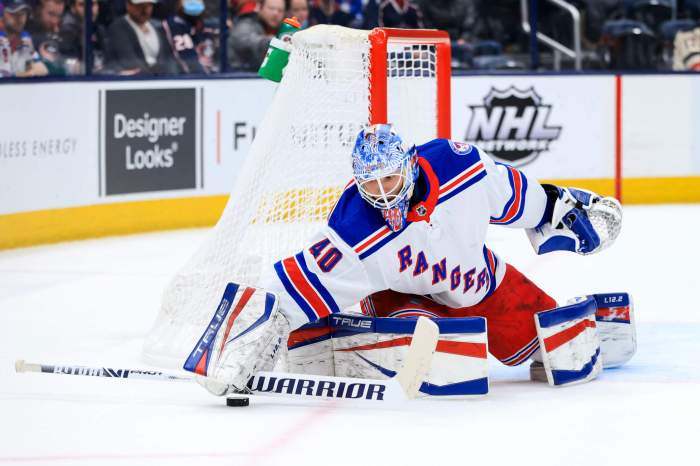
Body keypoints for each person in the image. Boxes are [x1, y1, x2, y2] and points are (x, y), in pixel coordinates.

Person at [183, 123, 623, 394]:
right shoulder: (353, 228)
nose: (382, 193)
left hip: (480, 285)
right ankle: (342, 340)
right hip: (401, 299)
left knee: (562, 350)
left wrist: (565, 211)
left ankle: (356, 341)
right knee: (447, 358)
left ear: (409, 163)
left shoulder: (461, 167)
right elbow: (297, 281)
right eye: (369, 185)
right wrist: (237, 342)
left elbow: (522, 199)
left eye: (389, 177)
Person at [105, 0, 180, 75]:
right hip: (137, 82)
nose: (144, 10)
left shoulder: (157, 26)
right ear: (128, 5)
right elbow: (130, 61)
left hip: (162, 80)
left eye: (148, 5)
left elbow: (167, 58)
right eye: (140, 5)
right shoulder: (118, 27)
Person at [227, 0, 283, 70]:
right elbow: (248, 41)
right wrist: (278, 42)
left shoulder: (285, 29)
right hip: (240, 76)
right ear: (259, 8)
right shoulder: (246, 24)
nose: (275, 13)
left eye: (280, 10)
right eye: (271, 8)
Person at [162, 0, 215, 73]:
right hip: (193, 78)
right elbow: (186, 61)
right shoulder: (174, 25)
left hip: (217, 76)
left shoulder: (208, 25)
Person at [0, 0, 48, 76]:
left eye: (23, 13)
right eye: (13, 13)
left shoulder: (25, 38)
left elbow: (42, 69)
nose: (19, 18)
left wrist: (23, 73)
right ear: (2, 14)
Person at [59, 0, 106, 73]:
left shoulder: (100, 30)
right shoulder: (67, 32)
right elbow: (66, 62)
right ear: (73, 8)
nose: (90, 9)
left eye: (93, 4)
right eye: (82, 5)